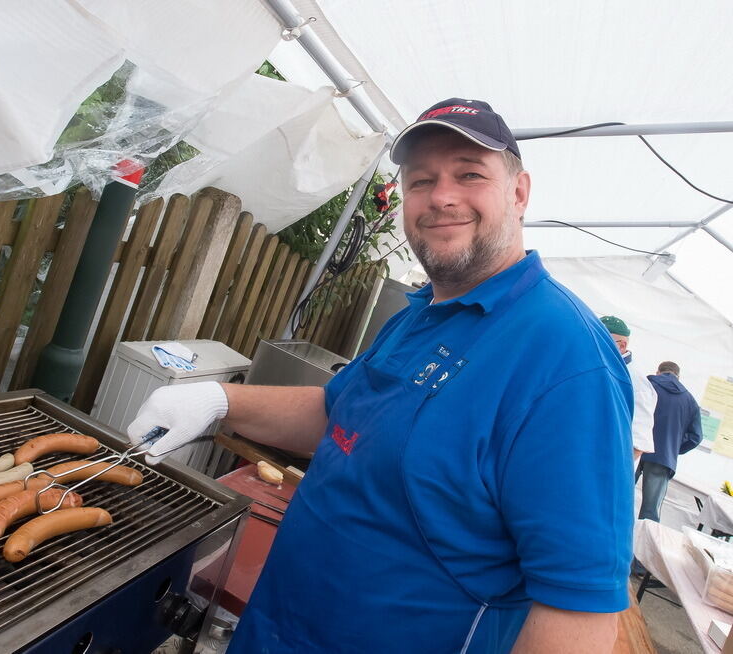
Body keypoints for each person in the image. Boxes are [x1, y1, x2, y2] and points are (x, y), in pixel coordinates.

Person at [128, 98, 634, 653]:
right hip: (276, 630)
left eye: (470, 174)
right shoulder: (419, 314)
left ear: (518, 193)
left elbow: (576, 611)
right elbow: (338, 416)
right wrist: (218, 401)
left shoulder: (566, 359)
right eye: (421, 181)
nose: (441, 197)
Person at [636, 361, 703, 521]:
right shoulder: (690, 401)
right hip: (663, 457)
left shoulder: (647, 385)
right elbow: (696, 437)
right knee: (650, 511)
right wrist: (673, 447)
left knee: (617, 496)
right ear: (678, 377)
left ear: (658, 372)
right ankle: (642, 545)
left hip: (635, 447)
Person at [600, 315, 657, 462]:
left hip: (608, 471)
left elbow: (638, 443)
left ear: (622, 346)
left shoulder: (636, 382)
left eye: (602, 340)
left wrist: (609, 473)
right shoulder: (601, 369)